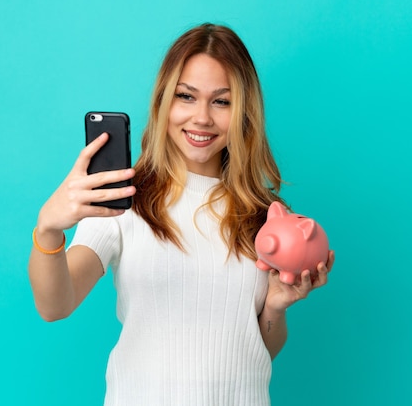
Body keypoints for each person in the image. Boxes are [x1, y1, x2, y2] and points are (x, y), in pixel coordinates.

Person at [28, 23, 335, 406]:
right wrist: (48, 230)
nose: (202, 118)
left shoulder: (266, 216)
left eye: (221, 101)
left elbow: (257, 353)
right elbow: (55, 305)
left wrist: (275, 305)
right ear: (163, 102)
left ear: (243, 111)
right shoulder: (123, 199)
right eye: (186, 96)